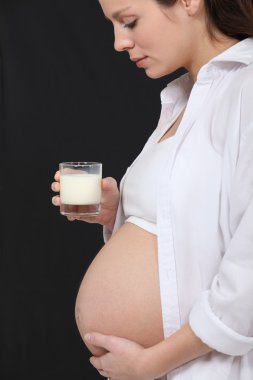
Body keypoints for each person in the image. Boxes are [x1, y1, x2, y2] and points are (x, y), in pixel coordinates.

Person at [51, 0, 253, 379]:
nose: (118, 42)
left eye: (128, 21)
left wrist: (153, 362)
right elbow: (186, 233)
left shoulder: (247, 87)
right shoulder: (185, 98)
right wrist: (116, 214)